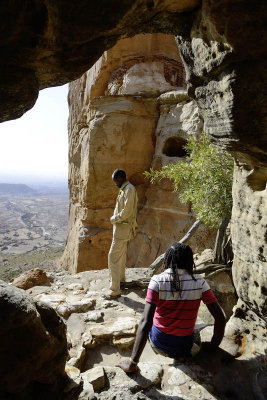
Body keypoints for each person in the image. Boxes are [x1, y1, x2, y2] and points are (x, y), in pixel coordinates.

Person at [116, 242, 226, 372]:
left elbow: (146, 323)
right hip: (184, 346)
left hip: (158, 342)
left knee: (148, 321)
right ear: (189, 261)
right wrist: (213, 346)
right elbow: (220, 318)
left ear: (167, 259)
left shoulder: (157, 281)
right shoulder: (199, 282)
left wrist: (132, 363)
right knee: (196, 330)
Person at [105, 169, 138, 299]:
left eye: (115, 181)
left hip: (122, 230)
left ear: (120, 178)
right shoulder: (126, 189)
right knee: (121, 255)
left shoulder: (129, 189)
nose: (114, 184)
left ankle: (114, 290)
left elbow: (127, 212)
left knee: (112, 257)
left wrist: (114, 218)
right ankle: (121, 281)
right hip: (121, 230)